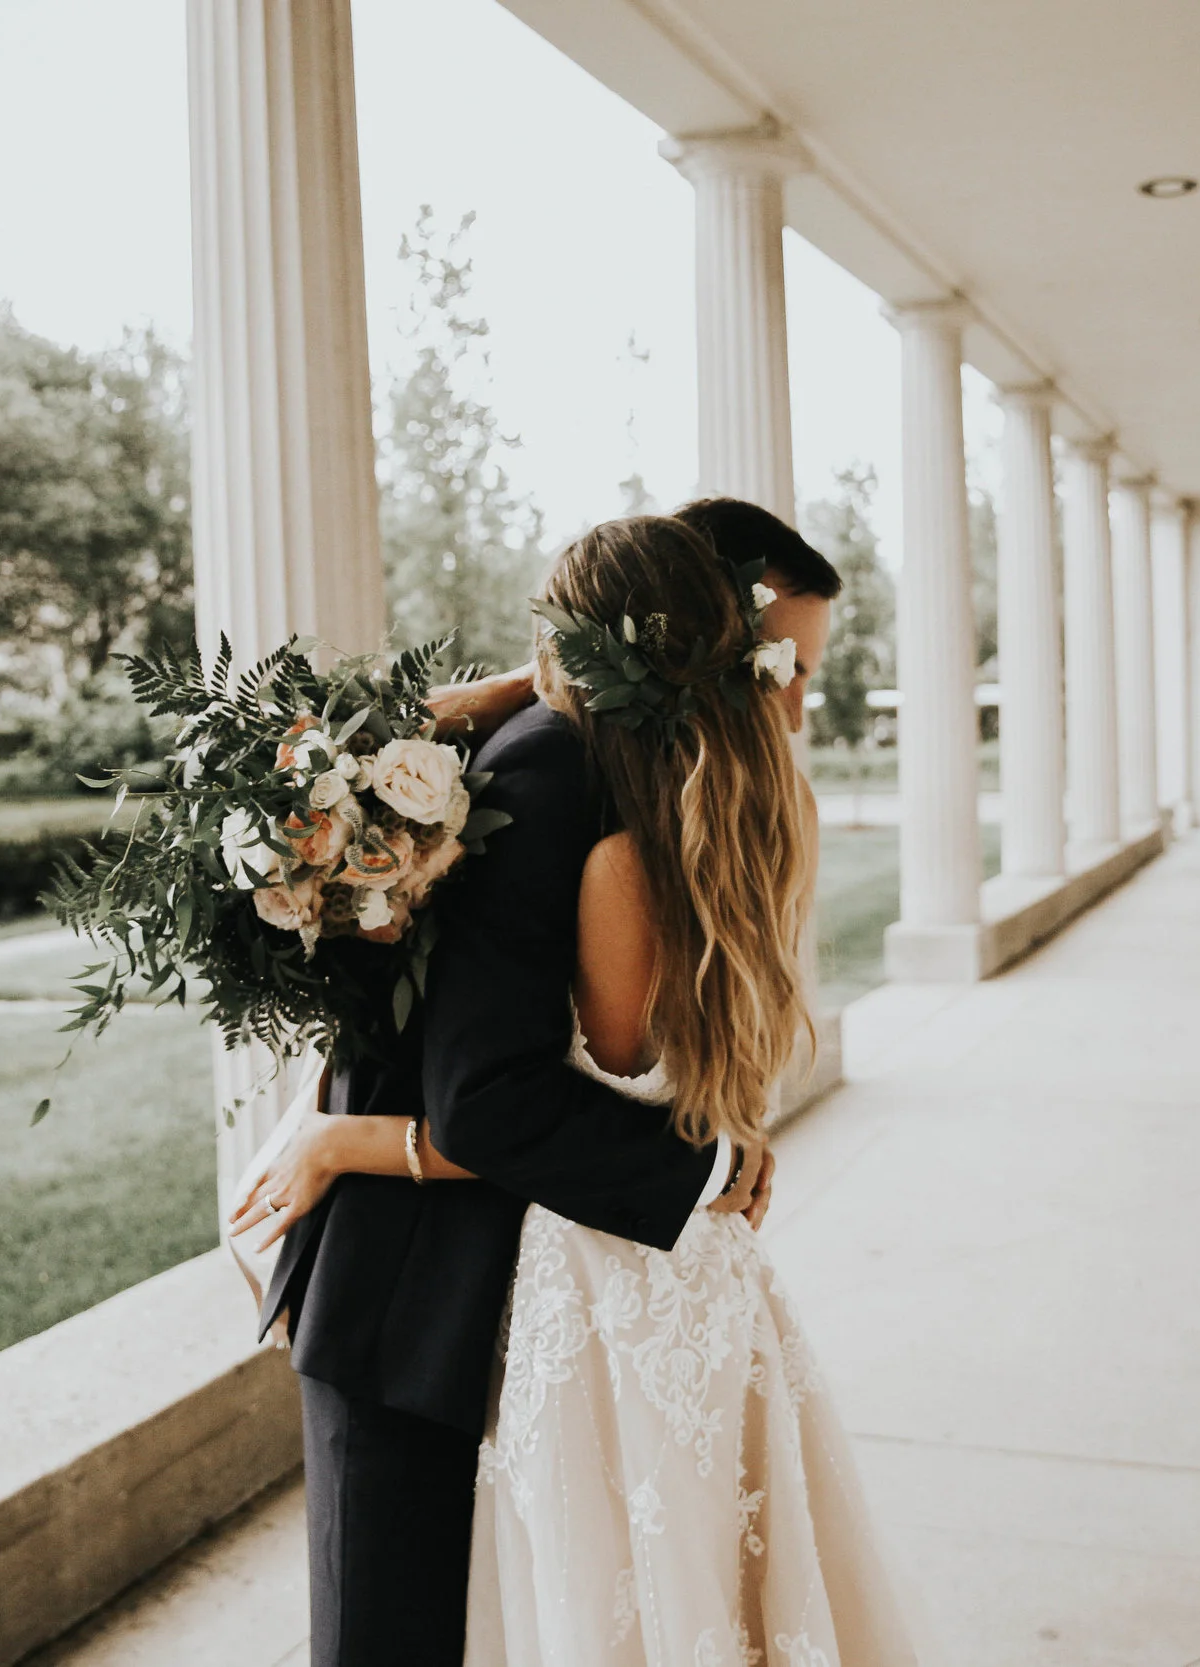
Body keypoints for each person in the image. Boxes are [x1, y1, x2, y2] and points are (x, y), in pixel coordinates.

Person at [237, 502, 916, 1664]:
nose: (793, 700)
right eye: (777, 663)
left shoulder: (607, 771)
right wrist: (705, 1161)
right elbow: (494, 1082)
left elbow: (525, 1068)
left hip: (498, 1275)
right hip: (409, 1280)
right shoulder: (558, 768)